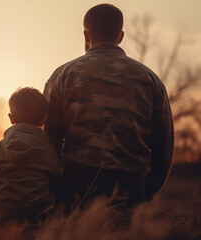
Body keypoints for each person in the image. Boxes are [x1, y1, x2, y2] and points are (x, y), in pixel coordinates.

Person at [43, 4, 174, 212]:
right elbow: (164, 146)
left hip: (75, 197)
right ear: (120, 36)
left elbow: (49, 140)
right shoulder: (150, 80)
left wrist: (58, 191)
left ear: (86, 34)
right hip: (130, 196)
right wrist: (146, 191)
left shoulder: (63, 75)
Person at [0, 87, 61, 224]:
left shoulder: (1, 147)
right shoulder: (48, 149)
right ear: (43, 120)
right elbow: (57, 181)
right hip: (40, 215)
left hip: (4, 213)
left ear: (11, 118)